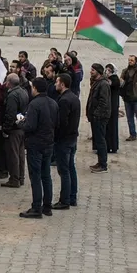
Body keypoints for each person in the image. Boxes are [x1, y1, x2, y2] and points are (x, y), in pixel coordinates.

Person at [19, 78, 58, 219]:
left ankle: (36, 207)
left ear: (35, 88)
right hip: (48, 143)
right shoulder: (53, 103)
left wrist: (21, 124)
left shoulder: (34, 104)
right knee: (46, 175)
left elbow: (30, 126)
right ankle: (47, 206)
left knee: (35, 176)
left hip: (35, 144)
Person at [53, 73, 80, 210]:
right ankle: (72, 196)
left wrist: (56, 137)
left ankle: (65, 200)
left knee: (64, 171)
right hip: (72, 138)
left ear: (62, 84)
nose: (55, 84)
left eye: (57, 82)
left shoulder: (64, 100)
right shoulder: (74, 97)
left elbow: (62, 123)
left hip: (64, 140)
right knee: (71, 168)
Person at [2, 73, 29, 188]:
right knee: (20, 154)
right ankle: (21, 177)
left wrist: (6, 129)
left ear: (9, 83)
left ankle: (14, 179)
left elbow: (10, 114)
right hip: (22, 126)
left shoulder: (12, 95)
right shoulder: (23, 92)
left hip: (14, 128)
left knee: (13, 155)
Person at [87, 64, 111, 174]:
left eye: (93, 70)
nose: (91, 71)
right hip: (95, 116)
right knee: (98, 140)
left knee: (101, 140)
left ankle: (103, 164)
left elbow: (103, 102)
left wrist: (96, 114)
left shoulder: (103, 84)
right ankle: (100, 162)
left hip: (100, 117)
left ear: (98, 72)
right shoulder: (97, 82)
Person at [105, 64, 121, 154]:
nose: (107, 71)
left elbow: (111, 84)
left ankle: (113, 146)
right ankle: (108, 145)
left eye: (108, 70)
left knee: (113, 127)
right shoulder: (109, 78)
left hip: (113, 106)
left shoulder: (115, 79)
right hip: (108, 105)